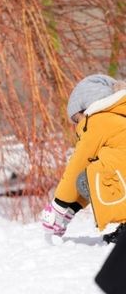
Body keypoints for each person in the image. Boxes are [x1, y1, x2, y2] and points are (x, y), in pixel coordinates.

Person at [41, 74, 126, 242]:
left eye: (77, 120)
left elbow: (78, 163)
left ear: (86, 108)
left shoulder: (99, 121)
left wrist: (58, 205)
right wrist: (71, 209)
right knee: (93, 171)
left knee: (94, 171)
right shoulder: (117, 117)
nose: (78, 127)